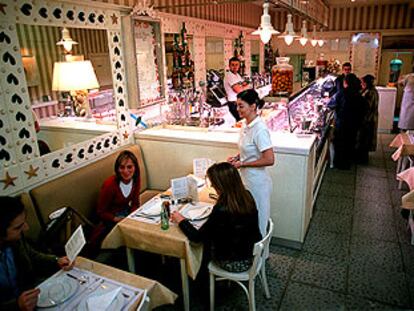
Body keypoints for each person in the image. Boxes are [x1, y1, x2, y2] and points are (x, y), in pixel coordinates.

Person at [171, 162, 262, 272]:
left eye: (213, 183)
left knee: (203, 243)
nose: (212, 186)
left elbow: (196, 238)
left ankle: (199, 277)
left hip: (234, 261)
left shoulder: (222, 209)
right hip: (251, 252)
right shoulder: (246, 195)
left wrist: (180, 219)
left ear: (221, 185)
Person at [0, 196, 73, 311]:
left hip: (34, 296)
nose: (26, 228)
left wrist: (56, 261)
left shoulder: (16, 240)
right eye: (18, 227)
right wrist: (16, 305)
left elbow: (33, 256)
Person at [227, 89, 275, 236]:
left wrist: (243, 164)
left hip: (257, 183)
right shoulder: (245, 125)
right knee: (248, 220)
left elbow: (269, 159)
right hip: (246, 180)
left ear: (253, 106)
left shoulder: (260, 129)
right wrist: (238, 157)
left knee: (259, 221)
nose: (237, 109)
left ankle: (260, 257)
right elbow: (248, 149)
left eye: (241, 106)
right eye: (237, 105)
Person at [89, 150, 141, 251]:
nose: (126, 171)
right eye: (122, 167)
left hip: (125, 213)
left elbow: (135, 203)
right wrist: (118, 219)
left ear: (135, 168)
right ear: (117, 169)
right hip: (110, 219)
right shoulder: (110, 185)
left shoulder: (136, 179)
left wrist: (131, 217)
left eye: (129, 167)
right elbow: (100, 212)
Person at [328, 73, 366, 169]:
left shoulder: (341, 93)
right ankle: (347, 162)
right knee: (350, 142)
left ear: (345, 82)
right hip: (354, 124)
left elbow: (331, 104)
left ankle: (340, 163)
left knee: (340, 143)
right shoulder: (359, 93)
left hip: (342, 122)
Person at [356, 74, 379, 164]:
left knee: (365, 139)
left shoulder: (371, 92)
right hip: (368, 119)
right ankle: (362, 157)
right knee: (363, 139)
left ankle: (363, 159)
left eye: (362, 82)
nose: (361, 84)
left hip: (368, 120)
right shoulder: (368, 91)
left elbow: (367, 106)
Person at [224, 57, 251, 121]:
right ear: (229, 66)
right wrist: (246, 86)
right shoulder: (229, 76)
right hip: (234, 104)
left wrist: (244, 86)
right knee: (241, 122)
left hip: (238, 103)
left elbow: (243, 85)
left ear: (239, 66)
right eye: (232, 65)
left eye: (236, 65)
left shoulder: (237, 75)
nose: (235, 67)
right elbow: (238, 90)